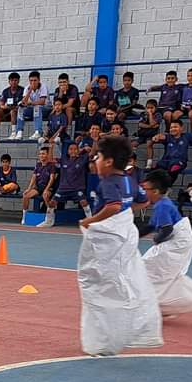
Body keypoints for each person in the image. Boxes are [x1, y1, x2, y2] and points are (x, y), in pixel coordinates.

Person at [76, 135, 162, 356]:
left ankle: (104, 338)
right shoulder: (129, 180)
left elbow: (113, 206)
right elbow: (143, 201)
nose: (95, 160)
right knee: (122, 277)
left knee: (97, 283)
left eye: (98, 157)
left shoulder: (108, 182)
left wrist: (90, 221)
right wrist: (126, 212)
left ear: (108, 161)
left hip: (109, 238)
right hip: (125, 235)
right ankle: (115, 331)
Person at [139, 169, 192, 317]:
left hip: (178, 244)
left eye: (146, 189)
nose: (144, 192)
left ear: (155, 191)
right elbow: (150, 226)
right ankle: (161, 305)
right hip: (178, 241)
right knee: (158, 272)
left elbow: (167, 229)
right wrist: (134, 236)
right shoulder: (161, 203)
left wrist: (157, 240)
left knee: (148, 267)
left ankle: (162, 304)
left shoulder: (162, 206)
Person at [39, 141, 91, 228]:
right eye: (71, 149)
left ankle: (90, 222)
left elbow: (92, 153)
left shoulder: (82, 159)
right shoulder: (63, 160)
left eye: (75, 149)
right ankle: (48, 221)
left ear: (78, 150)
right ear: (68, 151)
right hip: (63, 189)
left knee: (84, 202)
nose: (73, 151)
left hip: (77, 188)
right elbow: (51, 160)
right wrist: (51, 146)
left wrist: (89, 147)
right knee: (52, 203)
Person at [22, 146, 57, 221]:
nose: (41, 155)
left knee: (45, 195)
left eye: (43, 154)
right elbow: (33, 178)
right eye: (40, 154)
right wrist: (29, 189)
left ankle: (50, 216)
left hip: (48, 188)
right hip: (38, 188)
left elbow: (52, 179)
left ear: (47, 155)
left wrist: (46, 189)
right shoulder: (38, 165)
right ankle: (24, 216)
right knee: (25, 196)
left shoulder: (51, 166)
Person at [14, 70, 50, 140]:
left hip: (45, 109)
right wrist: (30, 90)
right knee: (21, 108)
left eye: (35, 80)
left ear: (39, 80)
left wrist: (30, 103)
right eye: (31, 81)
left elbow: (42, 102)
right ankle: (19, 132)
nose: (33, 82)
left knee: (37, 107)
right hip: (33, 110)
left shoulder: (43, 86)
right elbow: (24, 102)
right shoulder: (27, 88)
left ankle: (38, 132)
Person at [0, 72, 24, 140]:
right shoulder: (5, 91)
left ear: (18, 81)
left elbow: (24, 103)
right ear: (9, 81)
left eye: (15, 80)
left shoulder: (22, 90)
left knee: (13, 111)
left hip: (18, 112)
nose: (13, 82)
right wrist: (7, 107)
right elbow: (1, 105)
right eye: (12, 80)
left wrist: (16, 107)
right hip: (7, 111)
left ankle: (13, 133)